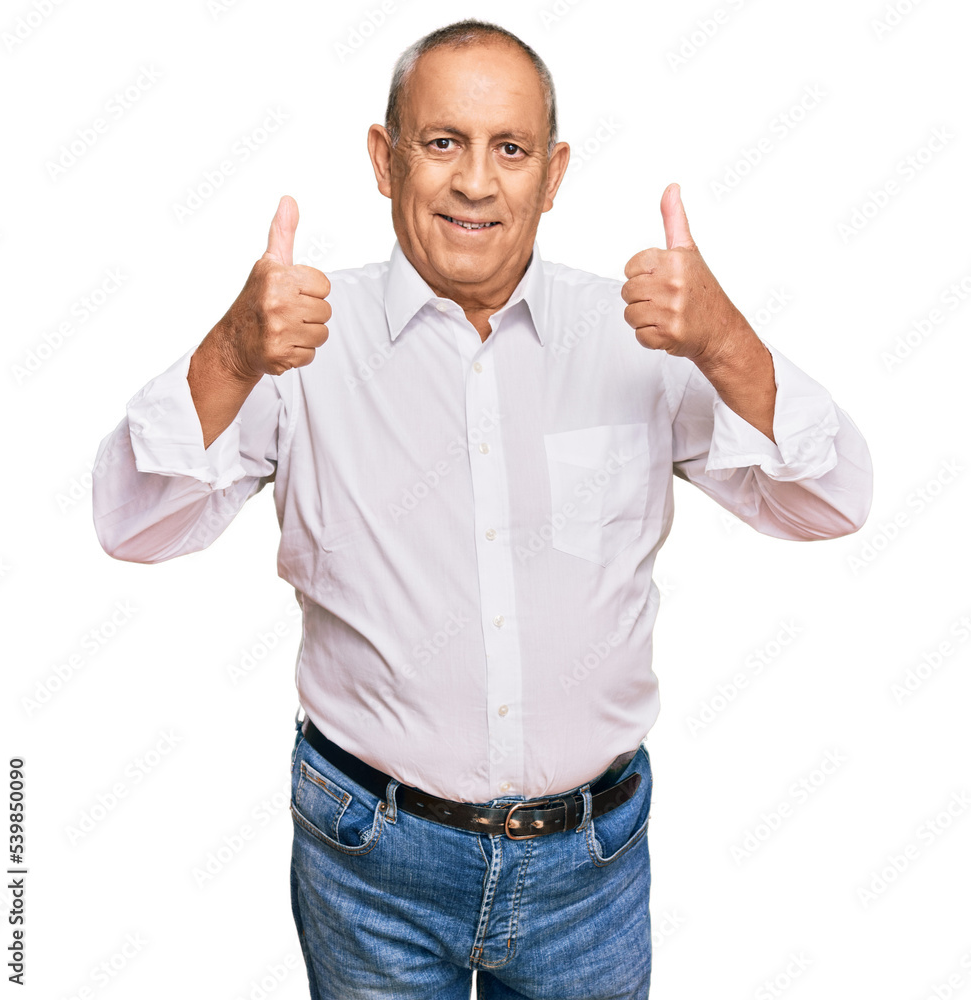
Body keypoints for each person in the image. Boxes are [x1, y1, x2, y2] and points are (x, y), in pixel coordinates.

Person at [92, 18, 873, 1000]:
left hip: (587, 867)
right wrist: (230, 353)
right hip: (367, 855)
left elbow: (831, 498)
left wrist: (723, 344)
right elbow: (129, 521)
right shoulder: (296, 340)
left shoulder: (639, 338)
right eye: (441, 142)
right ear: (385, 159)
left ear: (551, 176)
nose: (474, 181)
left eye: (508, 150)